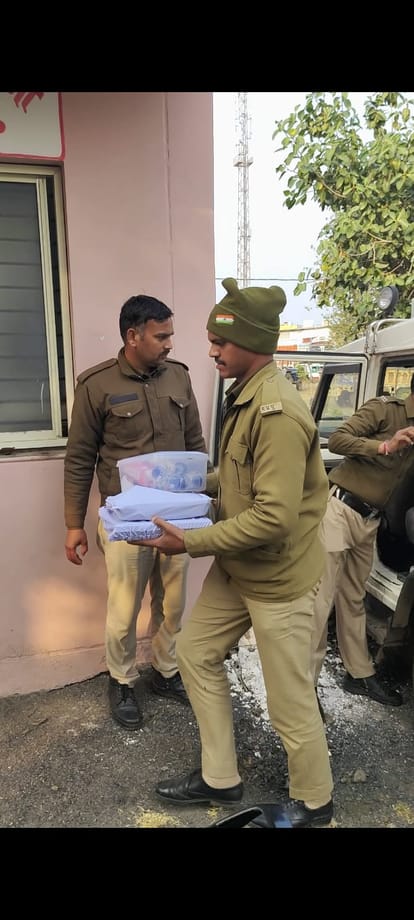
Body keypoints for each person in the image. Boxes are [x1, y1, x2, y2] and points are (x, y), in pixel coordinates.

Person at [128, 277, 334, 829]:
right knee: (195, 653)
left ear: (253, 342)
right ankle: (220, 778)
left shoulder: (277, 413)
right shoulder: (245, 393)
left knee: (288, 698)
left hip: (278, 577)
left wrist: (189, 541)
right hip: (239, 569)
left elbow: (274, 517)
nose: (212, 351)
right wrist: (189, 486)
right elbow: (240, 476)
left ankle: (314, 802)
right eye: (211, 341)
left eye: (221, 342)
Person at [64, 293, 210, 730]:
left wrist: (205, 504)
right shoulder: (97, 385)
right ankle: (122, 679)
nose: (169, 344)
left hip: (177, 518)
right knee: (124, 607)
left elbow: (195, 445)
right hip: (127, 522)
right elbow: (79, 458)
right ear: (133, 335)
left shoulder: (178, 377)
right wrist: (74, 524)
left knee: (173, 602)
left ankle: (166, 670)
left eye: (170, 335)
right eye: (161, 336)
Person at [311, 377, 414, 707]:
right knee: (319, 600)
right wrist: (384, 446)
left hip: (371, 521)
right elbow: (337, 440)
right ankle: (304, 689)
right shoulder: (386, 410)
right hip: (340, 510)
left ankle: (358, 673)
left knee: (353, 597)